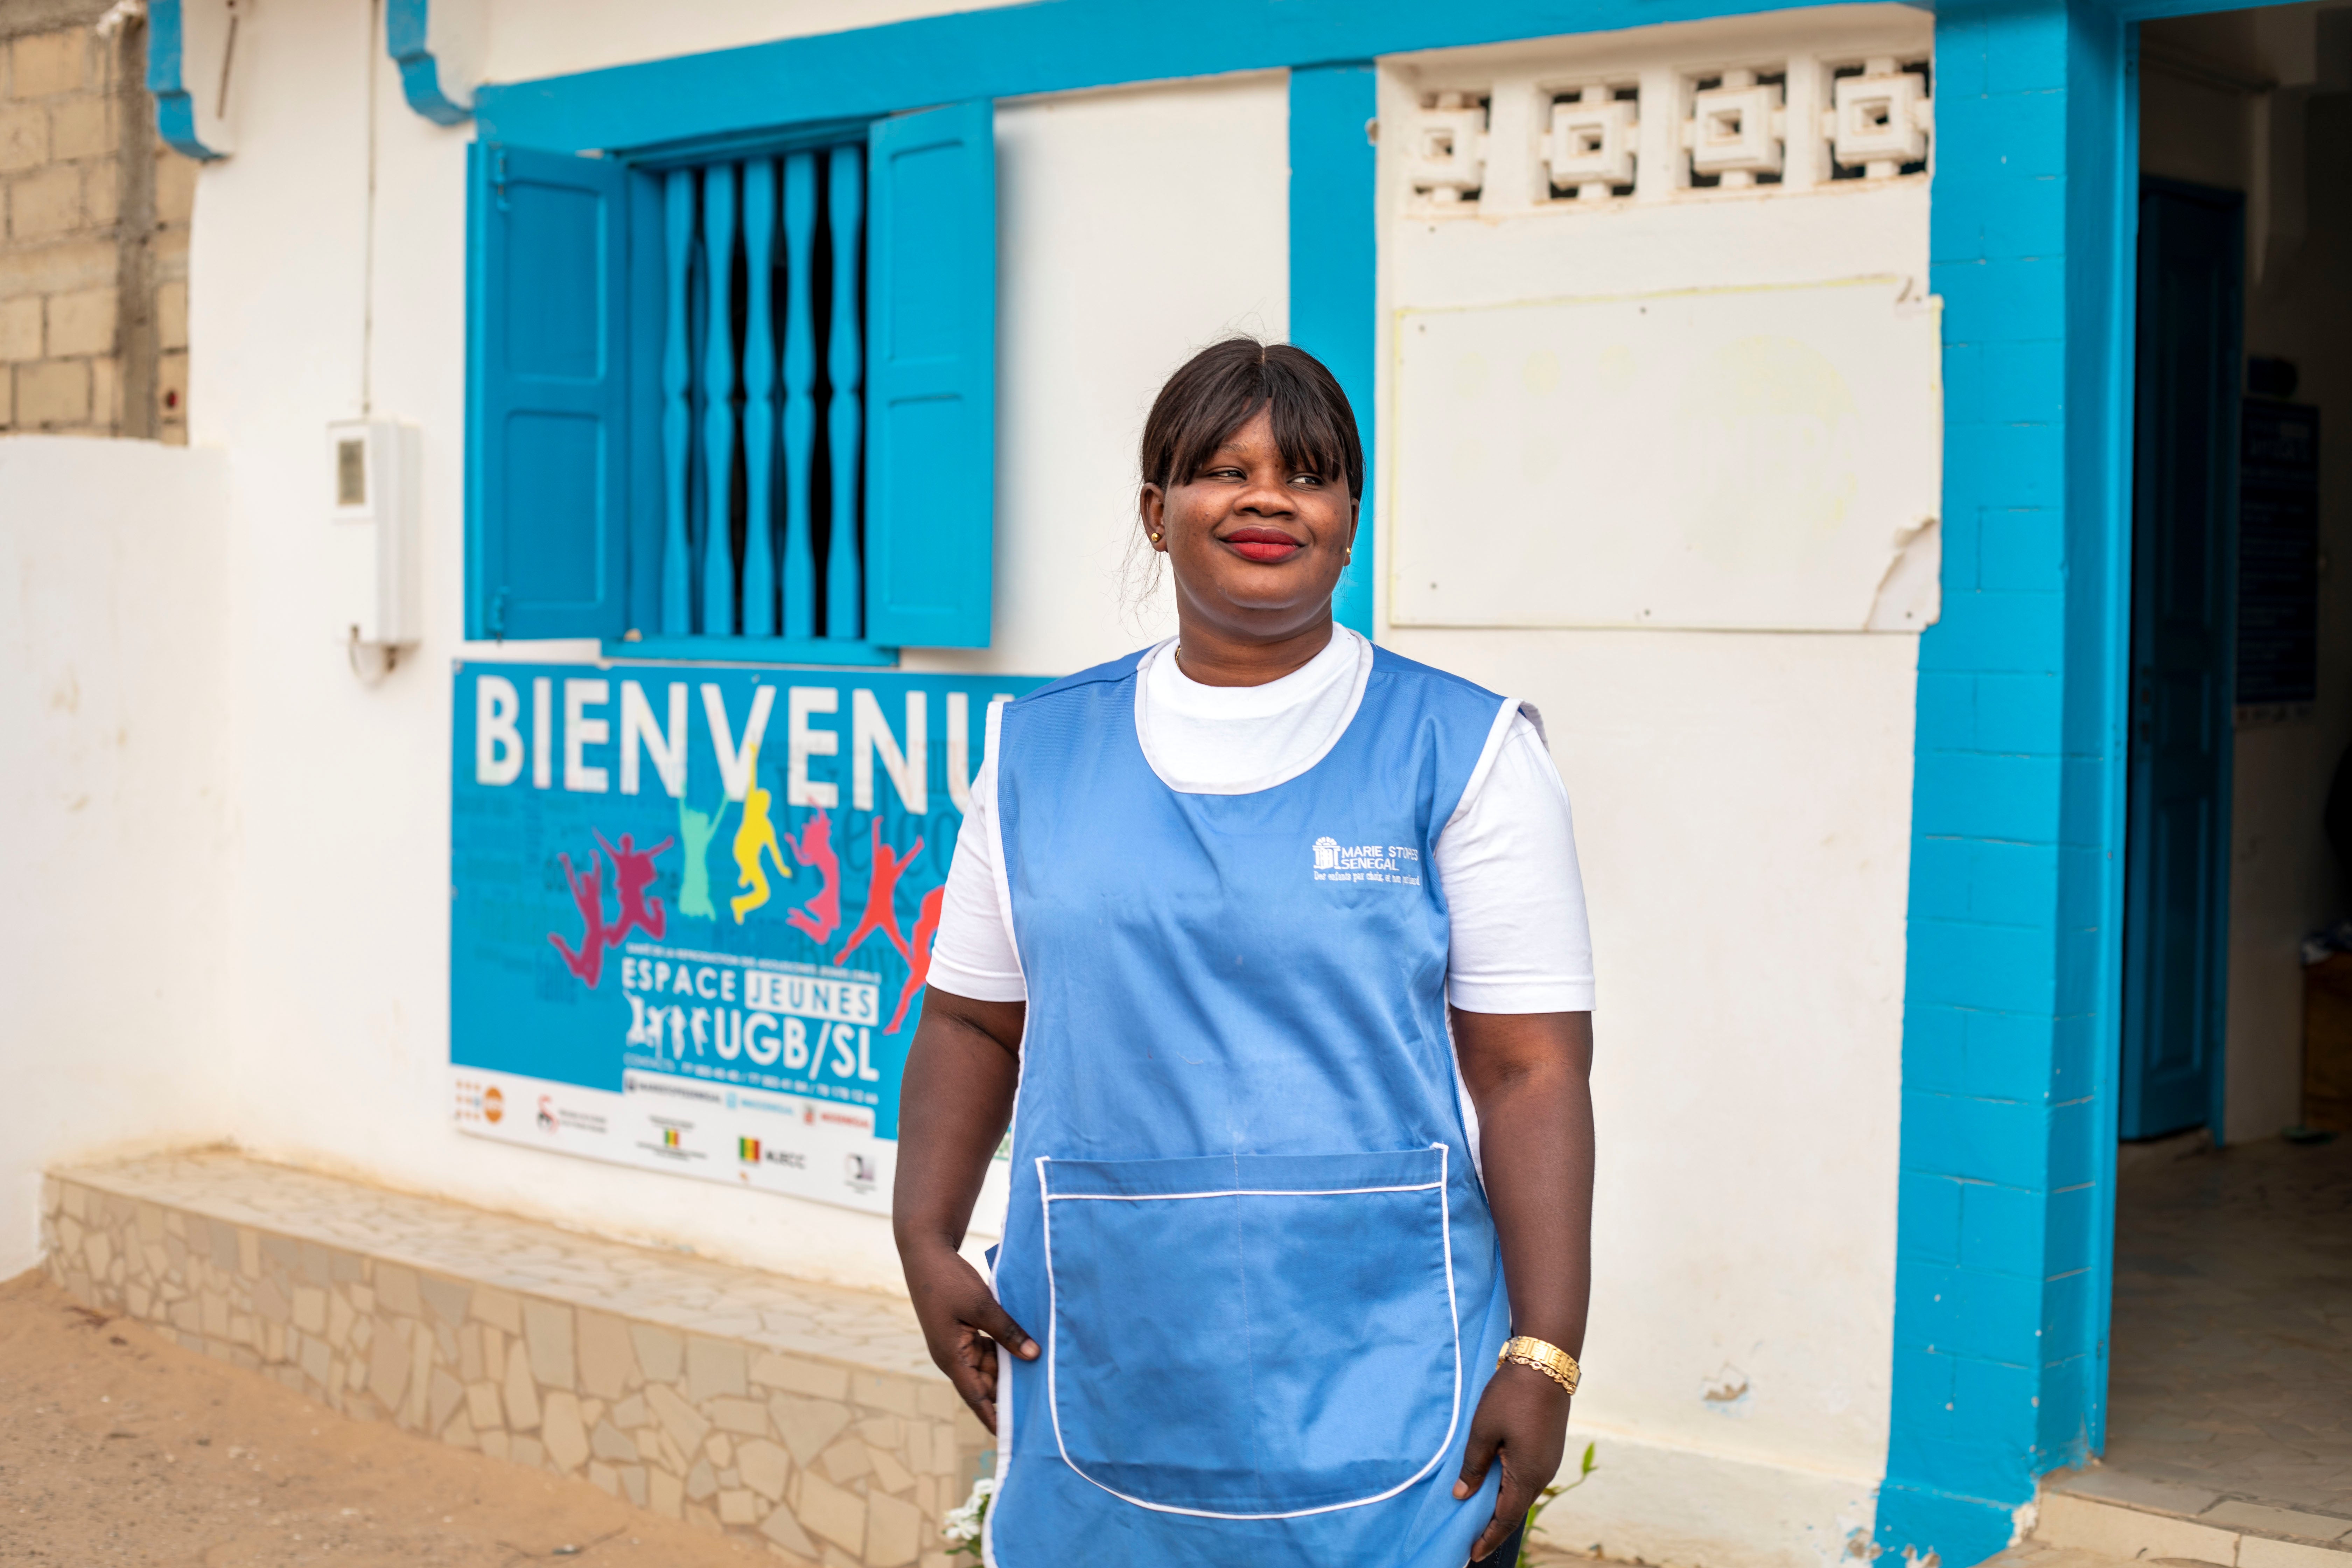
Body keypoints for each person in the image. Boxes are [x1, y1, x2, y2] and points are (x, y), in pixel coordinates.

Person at [894, 338, 1597, 1568]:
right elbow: (971, 1021)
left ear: (1349, 521)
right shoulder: (1035, 751)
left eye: (1311, 475)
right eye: (1225, 469)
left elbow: (1530, 1072)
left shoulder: (1466, 751)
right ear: (1157, 514)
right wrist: (923, 1234)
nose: (1270, 497)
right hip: (1109, 1337)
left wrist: (1544, 1352)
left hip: (1388, 1356)